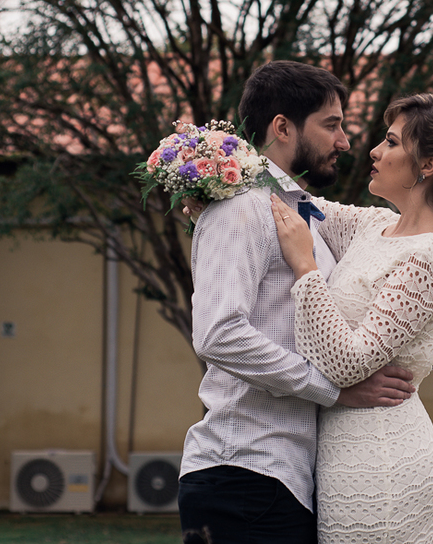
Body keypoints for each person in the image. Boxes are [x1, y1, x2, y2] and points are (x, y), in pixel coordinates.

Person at [177, 61, 418, 544]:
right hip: (245, 471)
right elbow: (218, 333)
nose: (346, 142)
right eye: (332, 125)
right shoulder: (242, 207)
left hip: (284, 478)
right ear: (282, 127)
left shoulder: (302, 214)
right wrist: (333, 390)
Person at [269, 93, 433, 543]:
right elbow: (297, 206)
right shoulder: (374, 226)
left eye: (391, 142)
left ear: (427, 166)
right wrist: (218, 176)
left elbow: (346, 364)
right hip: (343, 454)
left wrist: (306, 269)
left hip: (381, 462)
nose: (374, 152)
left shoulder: (428, 257)